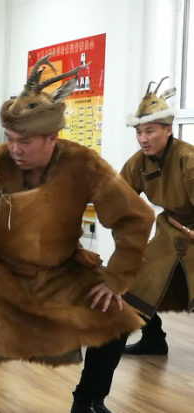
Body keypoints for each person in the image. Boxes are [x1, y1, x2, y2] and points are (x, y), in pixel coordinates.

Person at [0, 54, 155, 413]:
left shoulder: (83, 164)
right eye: (10, 139)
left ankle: (88, 402)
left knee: (115, 315)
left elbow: (135, 216)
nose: (15, 149)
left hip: (59, 270)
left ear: (52, 138)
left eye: (25, 141)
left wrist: (116, 279)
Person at [121, 77, 193, 355]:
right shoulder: (139, 162)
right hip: (170, 229)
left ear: (168, 129)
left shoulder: (188, 158)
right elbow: (119, 194)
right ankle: (154, 339)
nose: (143, 138)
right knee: (137, 284)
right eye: (139, 132)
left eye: (149, 131)